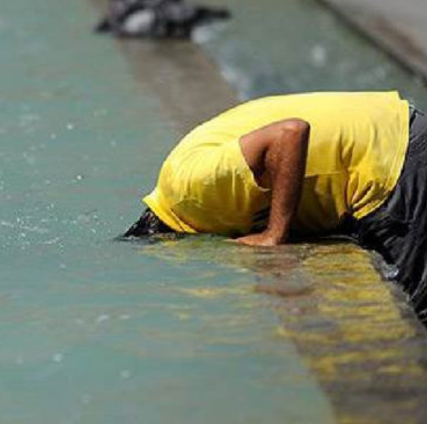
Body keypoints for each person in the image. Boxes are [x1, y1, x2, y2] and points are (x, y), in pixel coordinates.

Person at [125, 91, 427, 319]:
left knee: (412, 311)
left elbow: (290, 133)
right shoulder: (178, 184)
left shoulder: (191, 192)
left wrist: (274, 233)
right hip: (386, 129)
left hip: (388, 157)